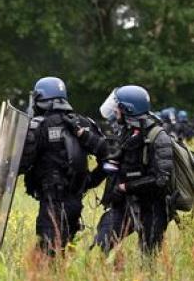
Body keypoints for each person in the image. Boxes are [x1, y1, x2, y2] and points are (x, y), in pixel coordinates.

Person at [18, 76, 108, 256]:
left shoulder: (39, 126)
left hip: (51, 201)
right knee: (65, 248)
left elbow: (21, 164)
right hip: (76, 200)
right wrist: (89, 181)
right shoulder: (84, 123)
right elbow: (108, 156)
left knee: (47, 252)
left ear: (40, 99)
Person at [93, 85, 173, 255]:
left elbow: (161, 179)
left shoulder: (158, 137)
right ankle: (112, 277)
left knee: (149, 257)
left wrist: (127, 187)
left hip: (152, 208)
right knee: (102, 243)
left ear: (128, 109)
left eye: (118, 106)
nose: (115, 110)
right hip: (124, 205)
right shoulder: (125, 132)